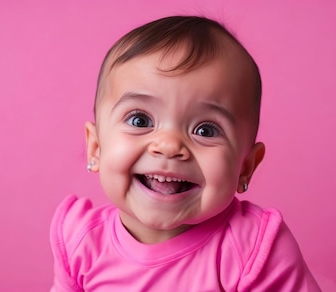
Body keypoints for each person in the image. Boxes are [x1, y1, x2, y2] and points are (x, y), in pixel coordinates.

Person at [50, 15, 320, 291]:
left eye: (205, 130)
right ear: (95, 147)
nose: (168, 145)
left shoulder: (254, 250)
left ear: (245, 166)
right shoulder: (81, 241)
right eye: (140, 121)